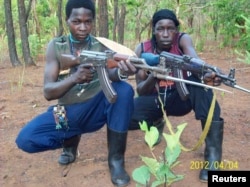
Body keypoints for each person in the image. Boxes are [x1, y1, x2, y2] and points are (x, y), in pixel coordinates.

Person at [15, 0, 136, 186]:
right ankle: (69, 141)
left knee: (124, 90)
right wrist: (74, 78)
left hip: (94, 108)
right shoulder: (56, 46)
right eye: (76, 21)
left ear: (93, 22)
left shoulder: (100, 45)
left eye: (88, 22)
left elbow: (111, 72)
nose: (82, 27)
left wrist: (123, 71)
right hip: (64, 111)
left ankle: (116, 161)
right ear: (66, 21)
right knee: (26, 139)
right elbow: (48, 92)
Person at [128, 9, 224, 182]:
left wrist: (207, 73)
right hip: (155, 100)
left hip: (182, 98)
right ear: (153, 29)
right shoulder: (142, 49)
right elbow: (141, 90)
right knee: (126, 116)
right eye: (160, 29)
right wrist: (154, 75)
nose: (165, 34)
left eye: (170, 29)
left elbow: (194, 60)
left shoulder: (182, 40)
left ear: (176, 30)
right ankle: (156, 122)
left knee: (202, 88)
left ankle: (213, 156)